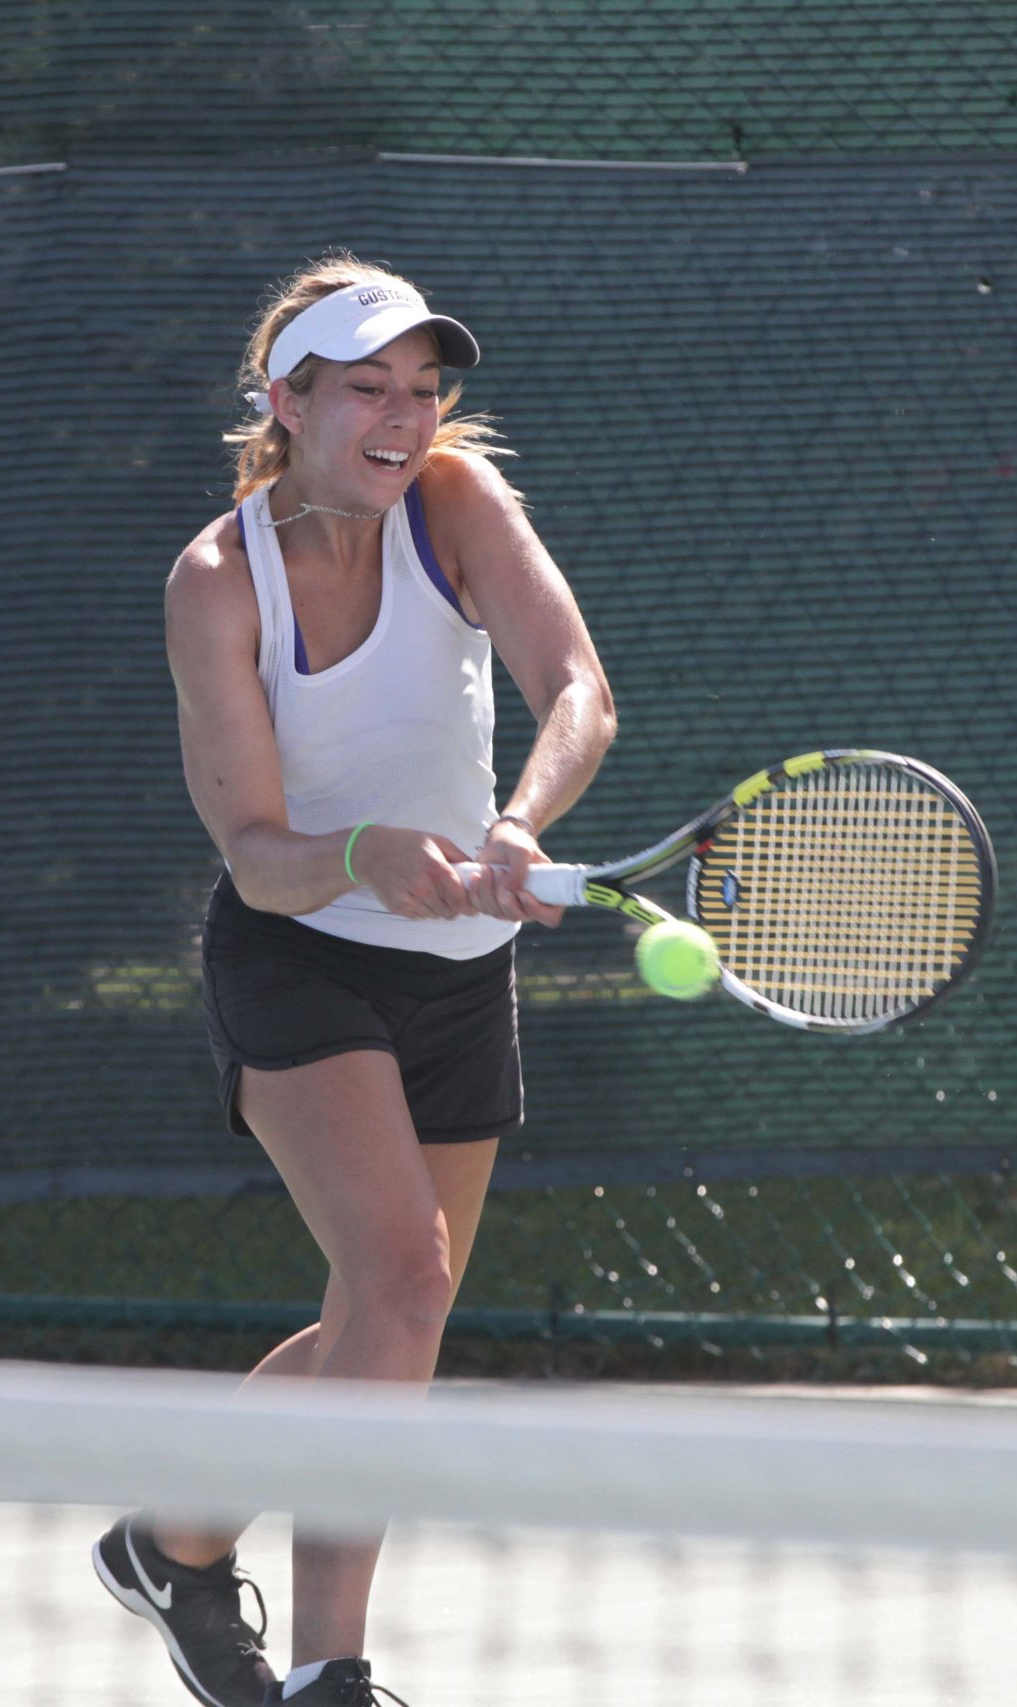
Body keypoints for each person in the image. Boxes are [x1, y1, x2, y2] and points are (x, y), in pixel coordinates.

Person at [91, 253, 617, 1707]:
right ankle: (333, 1672)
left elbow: (578, 687)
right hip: (298, 955)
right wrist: (367, 852)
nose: (403, 417)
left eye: (423, 389)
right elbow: (258, 852)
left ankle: (174, 1537)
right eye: (368, 389)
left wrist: (517, 823)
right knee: (402, 1274)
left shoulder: (454, 505)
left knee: (386, 1317)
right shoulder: (218, 582)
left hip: (464, 967)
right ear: (290, 400)